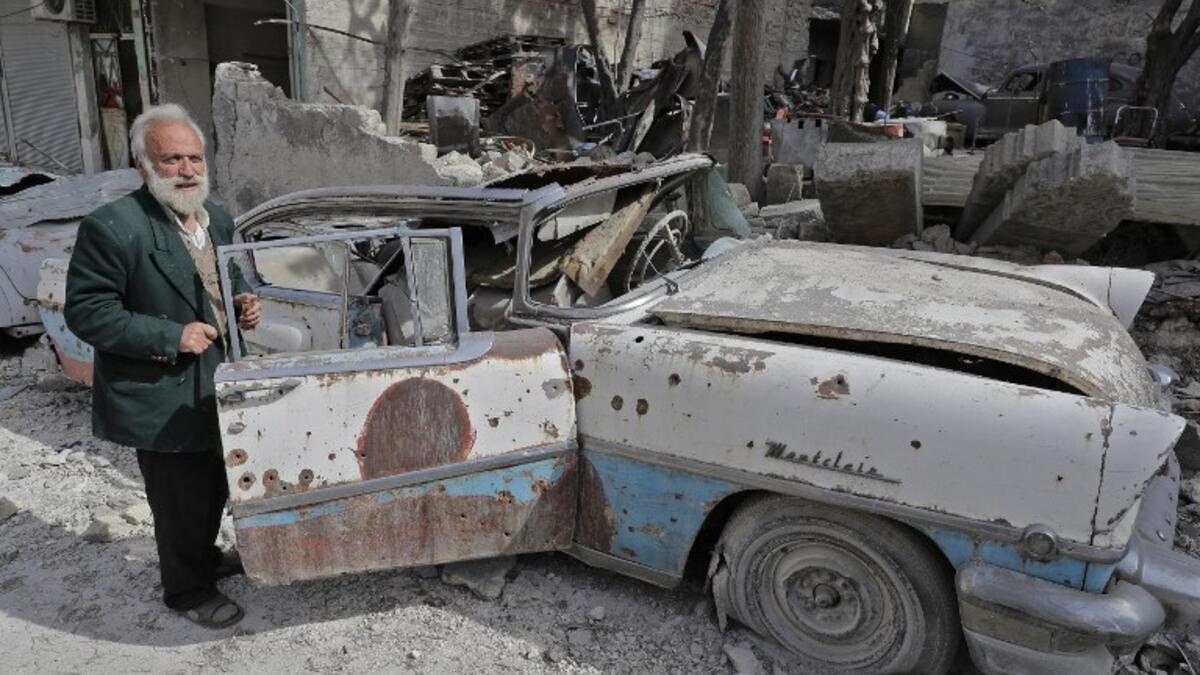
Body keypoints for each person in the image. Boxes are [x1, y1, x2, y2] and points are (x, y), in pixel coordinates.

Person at [65, 104, 261, 629]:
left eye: (194, 157)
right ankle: (187, 590)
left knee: (218, 479)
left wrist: (244, 302)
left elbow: (232, 278)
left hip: (217, 380)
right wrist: (170, 335)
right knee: (179, 496)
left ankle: (204, 558)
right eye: (171, 158)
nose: (187, 169)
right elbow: (87, 311)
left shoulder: (216, 216)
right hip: (160, 389)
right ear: (142, 166)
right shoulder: (112, 226)